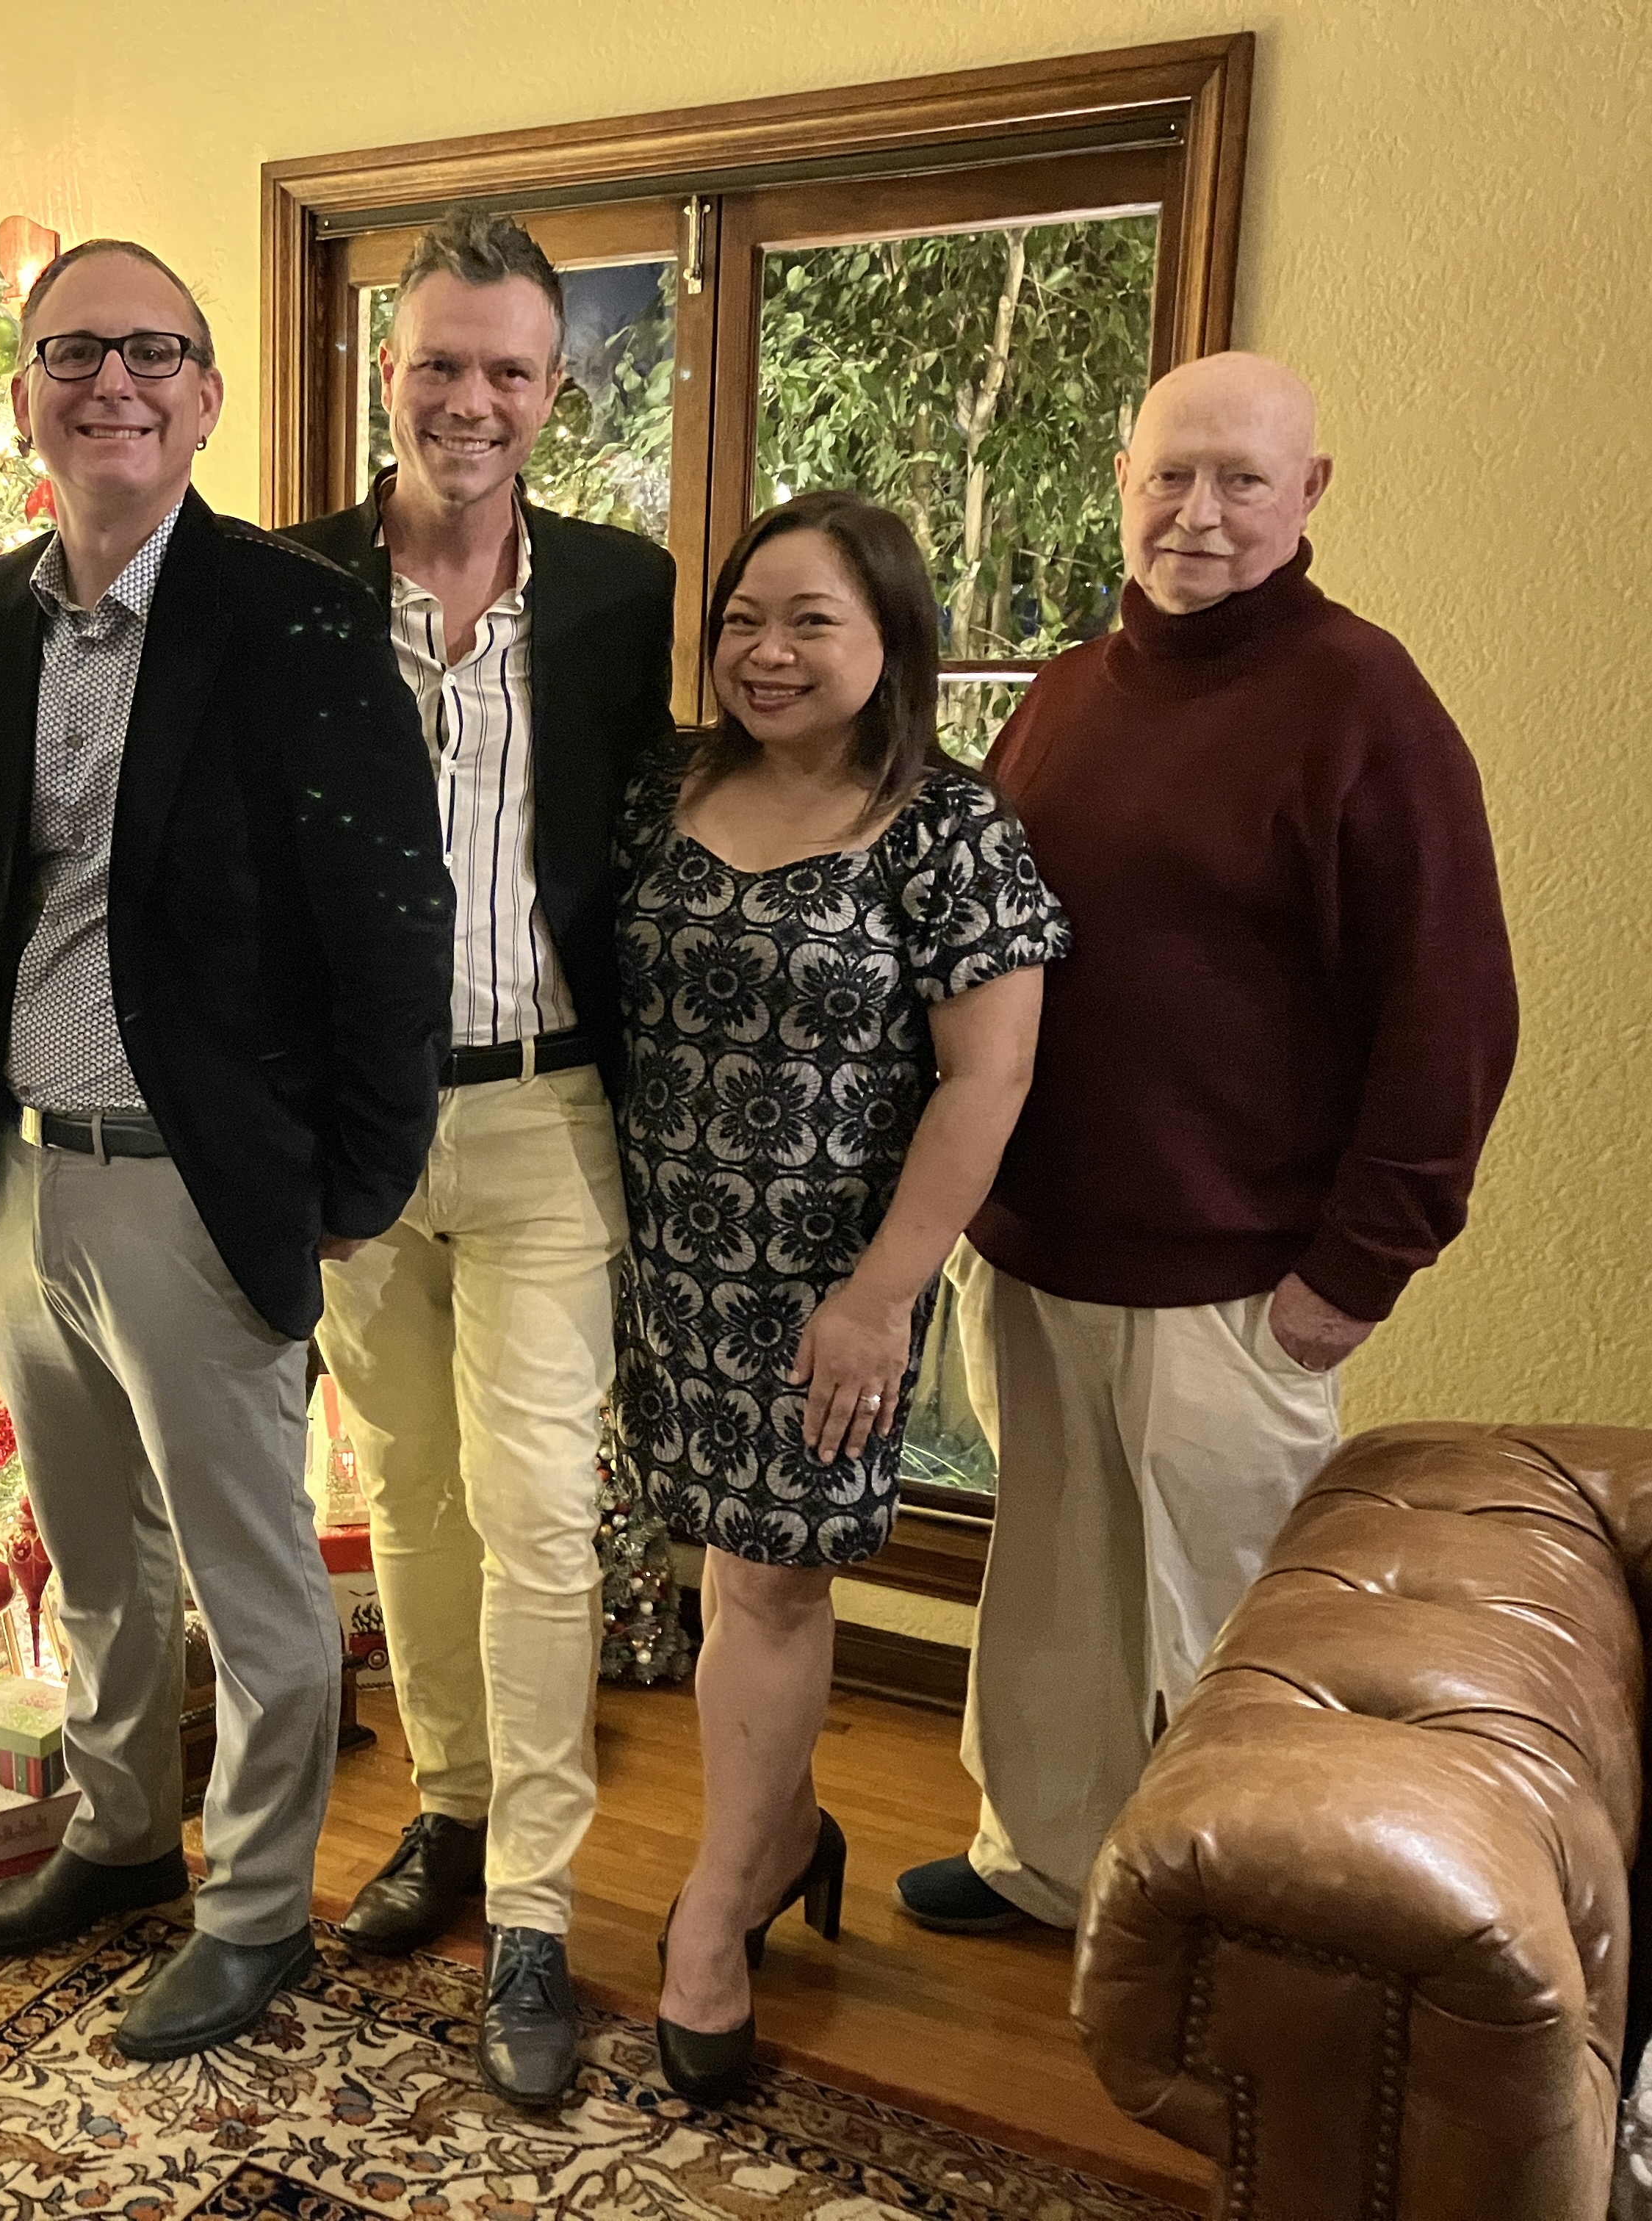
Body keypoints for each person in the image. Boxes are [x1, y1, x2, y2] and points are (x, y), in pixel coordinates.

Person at [0, 240, 451, 2060]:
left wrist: (358, 1181)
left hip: (202, 1179)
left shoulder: (292, 614)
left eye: (154, 353)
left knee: (251, 1575)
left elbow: (389, 917)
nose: (112, 382)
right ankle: (120, 1836)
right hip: (21, 1172)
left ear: (206, 395)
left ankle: (259, 1904)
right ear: (29, 391)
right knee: (92, 1555)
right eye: (74, 352)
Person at [895, 352, 1518, 1938]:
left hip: (1238, 1285)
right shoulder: (1062, 695)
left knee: (1237, 1634)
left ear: (1309, 496)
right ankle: (1049, 1862)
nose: (1201, 512)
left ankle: (1247, 1935)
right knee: (1051, 1598)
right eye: (1173, 474)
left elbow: (1451, 1016)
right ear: (1124, 478)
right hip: (1036, 1252)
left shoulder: (1365, 706)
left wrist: (1355, 1274)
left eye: (1243, 479)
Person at [281, 209, 671, 2105]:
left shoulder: (621, 588)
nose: (473, 400)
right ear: (387, 370)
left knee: (535, 1511)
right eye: (441, 362)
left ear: (552, 392)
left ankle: (531, 1904)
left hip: (546, 1109)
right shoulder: (285, 586)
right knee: (410, 1495)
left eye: (510, 370)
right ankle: (442, 1813)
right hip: (357, 1121)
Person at [614, 492, 1068, 2099]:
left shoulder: (951, 826)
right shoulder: (662, 787)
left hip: (827, 1281)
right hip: (655, 1258)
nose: (769, 650)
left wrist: (884, 1299)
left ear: (889, 645)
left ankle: (718, 1918)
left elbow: (988, 1077)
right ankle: (787, 1828)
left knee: (778, 1583)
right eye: (745, 618)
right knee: (715, 1573)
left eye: (812, 620)